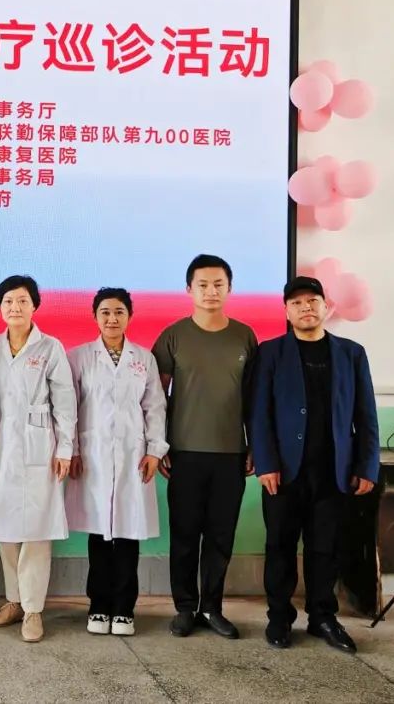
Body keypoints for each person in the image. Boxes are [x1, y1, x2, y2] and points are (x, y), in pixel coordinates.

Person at [249, 276, 380, 653]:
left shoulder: (351, 353)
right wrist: (266, 463)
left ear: (327, 307)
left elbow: (366, 414)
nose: (306, 307)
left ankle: (323, 617)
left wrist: (366, 466)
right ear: (286, 311)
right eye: (297, 302)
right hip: (284, 472)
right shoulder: (271, 352)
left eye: (312, 301)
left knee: (326, 548)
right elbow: (259, 413)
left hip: (334, 471)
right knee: (280, 546)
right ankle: (279, 617)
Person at [152, 254, 257, 639]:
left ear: (229, 288)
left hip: (231, 454)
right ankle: (184, 608)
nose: (211, 291)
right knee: (184, 535)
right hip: (184, 453)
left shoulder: (245, 336)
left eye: (218, 284)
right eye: (203, 285)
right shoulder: (173, 336)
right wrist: (159, 444)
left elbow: (253, 398)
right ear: (189, 289)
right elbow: (155, 398)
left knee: (220, 536)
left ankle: (212, 607)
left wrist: (254, 445)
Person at [0, 275, 77, 643]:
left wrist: (65, 448)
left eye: (22, 301)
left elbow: (65, 402)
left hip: (40, 450)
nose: (15, 307)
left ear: (35, 305)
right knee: (4, 529)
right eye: (8, 301)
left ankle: (34, 610)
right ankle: (14, 601)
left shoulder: (50, 348)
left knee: (35, 531)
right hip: (0, 448)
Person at [65, 288, 167, 637]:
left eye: (119, 312)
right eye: (105, 312)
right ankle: (98, 605)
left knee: (127, 534)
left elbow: (155, 407)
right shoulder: (79, 357)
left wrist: (154, 450)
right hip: (92, 455)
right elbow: (69, 408)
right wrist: (73, 450)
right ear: (95, 316)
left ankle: (124, 609)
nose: (112, 318)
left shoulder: (144, 359)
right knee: (98, 535)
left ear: (129, 316)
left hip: (132, 456)